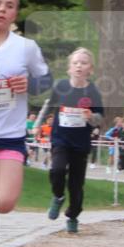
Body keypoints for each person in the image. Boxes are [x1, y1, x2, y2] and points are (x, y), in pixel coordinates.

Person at [0, 0, 50, 214]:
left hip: (9, 136)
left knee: (4, 203)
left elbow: (47, 81)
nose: (2, 10)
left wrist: (30, 84)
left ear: (15, 13)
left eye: (9, 6)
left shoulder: (26, 47)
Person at [45, 47, 105, 233]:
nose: (79, 66)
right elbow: (49, 108)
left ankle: (73, 215)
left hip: (80, 144)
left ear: (91, 69)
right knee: (57, 170)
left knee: (76, 184)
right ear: (69, 68)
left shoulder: (93, 91)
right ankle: (58, 196)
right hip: (60, 140)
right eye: (75, 63)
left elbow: (100, 118)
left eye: (84, 63)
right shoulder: (61, 86)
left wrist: (91, 117)